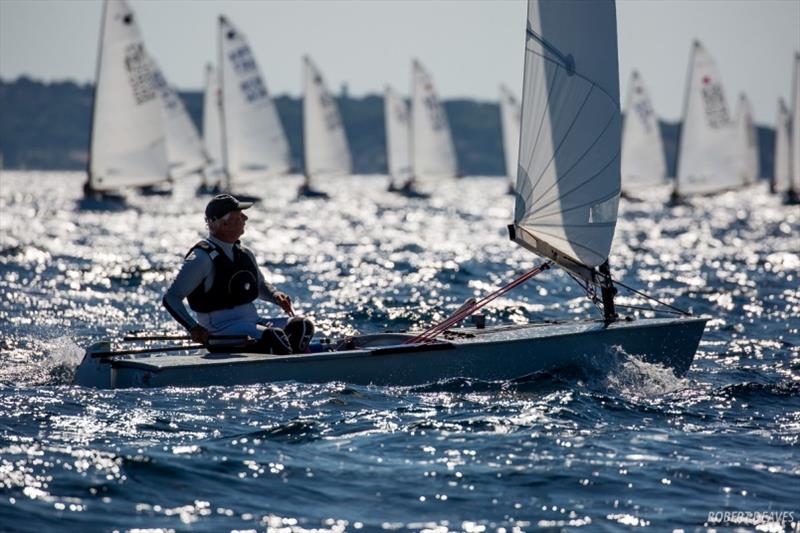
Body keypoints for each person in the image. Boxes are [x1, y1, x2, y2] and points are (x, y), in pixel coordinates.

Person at [163, 194, 314, 354]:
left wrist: (276, 295)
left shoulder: (245, 253)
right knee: (274, 337)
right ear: (224, 223)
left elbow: (260, 285)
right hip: (219, 332)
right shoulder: (200, 258)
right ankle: (287, 357)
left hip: (252, 323)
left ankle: (293, 358)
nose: (245, 217)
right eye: (239, 215)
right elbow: (171, 297)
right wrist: (193, 327)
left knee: (303, 326)